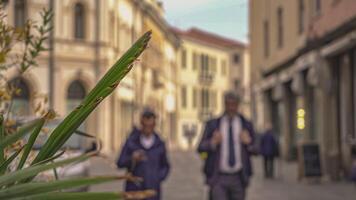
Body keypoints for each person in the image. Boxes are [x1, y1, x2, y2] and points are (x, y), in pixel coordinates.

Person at [197, 91, 255, 200]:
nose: (231, 108)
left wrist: (248, 143)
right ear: (224, 104)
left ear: (238, 105)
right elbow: (200, 149)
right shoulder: (213, 124)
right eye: (229, 104)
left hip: (239, 177)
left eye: (234, 105)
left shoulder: (246, 124)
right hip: (218, 177)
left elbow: (256, 149)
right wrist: (212, 143)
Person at [117, 109, 170, 200]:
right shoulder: (131, 142)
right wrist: (132, 159)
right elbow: (120, 162)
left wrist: (158, 178)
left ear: (154, 125)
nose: (148, 127)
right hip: (134, 190)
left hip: (152, 191)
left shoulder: (160, 144)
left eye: (150, 125)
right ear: (141, 123)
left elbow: (165, 165)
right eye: (145, 125)